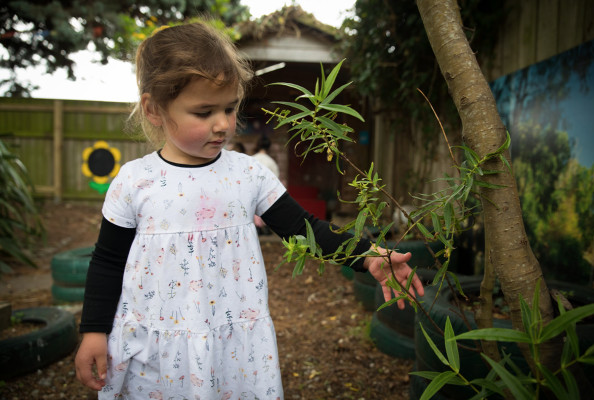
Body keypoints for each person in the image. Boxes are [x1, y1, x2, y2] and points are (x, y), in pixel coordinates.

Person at [74, 20, 424, 400]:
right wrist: (94, 330)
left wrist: (368, 256)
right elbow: (108, 261)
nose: (223, 124)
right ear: (154, 109)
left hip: (234, 347)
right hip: (156, 346)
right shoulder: (134, 181)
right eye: (204, 112)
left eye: (229, 107)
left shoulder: (247, 175)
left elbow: (304, 228)